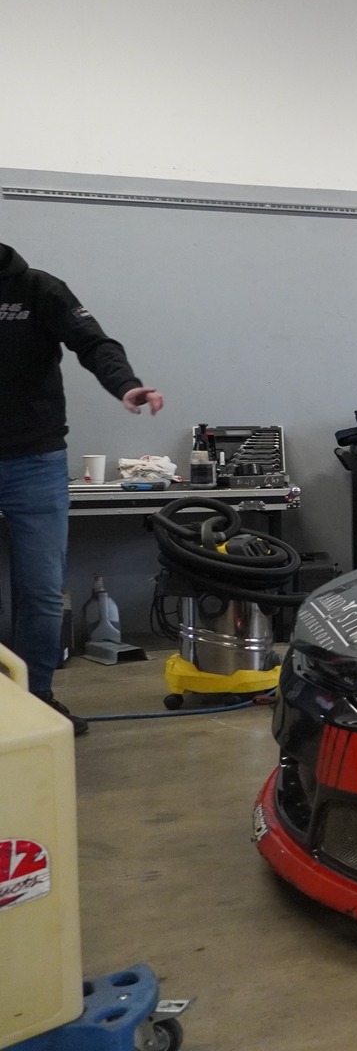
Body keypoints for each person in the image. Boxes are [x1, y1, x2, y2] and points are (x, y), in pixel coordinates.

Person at [0, 243, 165, 736]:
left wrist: (126, 385)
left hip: (34, 460)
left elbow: (93, 343)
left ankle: (37, 699)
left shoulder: (38, 288)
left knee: (41, 592)